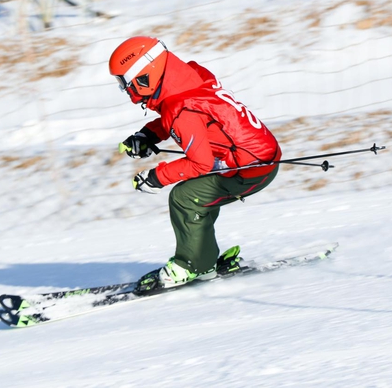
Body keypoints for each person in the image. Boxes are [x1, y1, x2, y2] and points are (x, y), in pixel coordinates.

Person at [109, 36, 282, 293]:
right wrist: (149, 135)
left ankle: (191, 265)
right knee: (197, 196)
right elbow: (185, 115)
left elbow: (200, 162)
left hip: (250, 170)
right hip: (259, 157)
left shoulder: (180, 109)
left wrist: (155, 177)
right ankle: (204, 261)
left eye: (125, 82)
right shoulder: (192, 76)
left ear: (144, 77)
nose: (125, 90)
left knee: (185, 198)